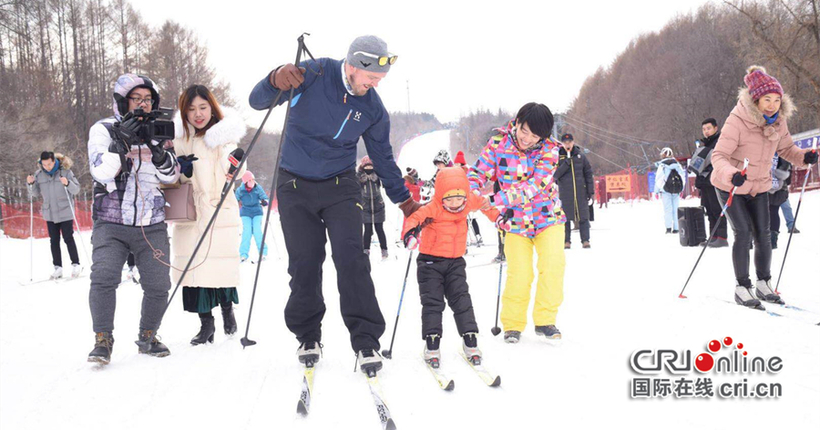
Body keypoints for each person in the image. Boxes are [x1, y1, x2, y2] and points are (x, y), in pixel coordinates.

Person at [248, 35, 421, 374]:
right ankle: (308, 334)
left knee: (351, 258)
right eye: (371, 78)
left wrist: (404, 201)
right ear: (354, 66)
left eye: (379, 81)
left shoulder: (372, 108)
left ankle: (366, 340)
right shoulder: (313, 73)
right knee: (304, 263)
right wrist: (274, 79)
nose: (374, 85)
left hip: (341, 185)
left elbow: (383, 158)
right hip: (295, 183)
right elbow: (257, 102)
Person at [86, 73, 180, 364]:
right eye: (136, 99)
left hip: (150, 222)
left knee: (158, 284)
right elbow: (101, 171)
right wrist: (121, 142)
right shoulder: (103, 129)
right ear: (122, 101)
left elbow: (173, 175)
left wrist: (160, 154)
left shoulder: (160, 130)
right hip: (111, 220)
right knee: (103, 278)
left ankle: (148, 335)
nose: (142, 105)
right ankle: (103, 339)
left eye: (148, 100)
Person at [711, 65, 816, 310]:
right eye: (767, 99)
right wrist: (732, 174)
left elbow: (787, 149)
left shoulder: (779, 123)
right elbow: (719, 156)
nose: (772, 105)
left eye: (777, 100)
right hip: (731, 186)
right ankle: (742, 286)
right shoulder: (736, 120)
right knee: (744, 233)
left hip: (759, 186)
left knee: (765, 235)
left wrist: (804, 157)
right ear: (756, 99)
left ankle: (764, 283)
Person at [467, 103, 567, 344]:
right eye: (525, 131)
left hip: (548, 218)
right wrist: (472, 192)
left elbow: (535, 186)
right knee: (519, 273)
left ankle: (545, 320)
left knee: (552, 267)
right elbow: (478, 173)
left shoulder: (551, 150)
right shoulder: (498, 144)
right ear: (517, 122)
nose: (528, 139)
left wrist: (493, 199)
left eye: (535, 136)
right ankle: (513, 324)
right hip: (515, 223)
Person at [171, 84, 247, 345]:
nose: (198, 114)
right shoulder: (180, 139)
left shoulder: (222, 136)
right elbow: (174, 176)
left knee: (219, 266)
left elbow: (232, 168)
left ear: (212, 107)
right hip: (191, 211)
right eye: (191, 109)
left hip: (218, 209)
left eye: (203, 107)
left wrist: (237, 160)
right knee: (194, 271)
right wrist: (183, 171)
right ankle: (206, 324)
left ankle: (227, 310)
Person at [402, 167, 493, 366]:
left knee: (462, 300)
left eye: (459, 199)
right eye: (449, 199)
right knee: (433, 303)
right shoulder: (432, 207)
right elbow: (414, 219)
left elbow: (486, 205)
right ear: (440, 196)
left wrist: (500, 218)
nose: (454, 204)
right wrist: (410, 235)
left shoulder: (469, 201)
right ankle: (432, 343)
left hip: (455, 263)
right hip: (429, 263)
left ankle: (470, 338)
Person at [27, 151, 82, 279]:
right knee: (54, 240)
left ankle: (75, 264)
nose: (47, 167)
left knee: (68, 237)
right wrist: (30, 184)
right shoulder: (39, 175)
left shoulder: (66, 172)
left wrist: (67, 183)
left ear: (54, 161)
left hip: (65, 211)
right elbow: (34, 193)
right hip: (50, 212)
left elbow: (76, 189)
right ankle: (58, 267)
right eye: (44, 164)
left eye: (49, 164)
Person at [555, 133, 594, 249]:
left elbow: (588, 174)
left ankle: (585, 240)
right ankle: (566, 241)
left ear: (573, 142)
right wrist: (566, 163)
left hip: (580, 192)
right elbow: (555, 175)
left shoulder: (580, 156)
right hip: (565, 193)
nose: (568, 144)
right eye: (565, 142)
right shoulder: (558, 157)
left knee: (583, 217)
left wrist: (590, 191)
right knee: (565, 218)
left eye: (570, 142)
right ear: (562, 144)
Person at [695, 118, 728, 247]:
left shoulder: (719, 142)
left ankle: (722, 237)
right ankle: (713, 236)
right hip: (705, 182)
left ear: (715, 128)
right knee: (709, 209)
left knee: (717, 209)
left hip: (715, 181)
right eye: (704, 129)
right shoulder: (706, 144)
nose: (706, 132)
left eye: (708, 128)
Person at [358, 156, 389, 259]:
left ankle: (384, 250)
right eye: (366, 167)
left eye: (370, 166)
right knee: (367, 230)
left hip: (378, 206)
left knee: (379, 229)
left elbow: (386, 181)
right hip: (366, 207)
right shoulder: (359, 177)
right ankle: (366, 250)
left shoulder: (377, 176)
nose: (368, 169)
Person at [236, 171, 269, 262]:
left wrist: (264, 201)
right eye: (250, 180)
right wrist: (236, 202)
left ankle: (263, 252)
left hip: (257, 212)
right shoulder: (240, 190)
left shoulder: (257, 188)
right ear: (245, 182)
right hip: (245, 212)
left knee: (257, 230)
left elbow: (265, 198)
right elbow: (235, 199)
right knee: (247, 232)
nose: (252, 182)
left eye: (253, 179)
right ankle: (243, 254)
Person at [454, 150, 483, 246]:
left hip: (466, 197)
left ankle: (467, 239)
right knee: (471, 219)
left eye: (457, 163)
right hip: (469, 197)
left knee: (466, 219)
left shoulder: (462, 171)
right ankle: (477, 236)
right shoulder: (467, 170)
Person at [654, 147, 685, 234]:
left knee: (667, 209)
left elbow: (659, 179)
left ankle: (668, 228)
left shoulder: (662, 165)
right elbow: (682, 177)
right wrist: (681, 189)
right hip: (676, 191)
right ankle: (676, 228)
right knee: (676, 209)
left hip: (665, 191)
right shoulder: (677, 165)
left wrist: (656, 191)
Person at [767, 155, 791, 250]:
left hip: (769, 186)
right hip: (780, 188)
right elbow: (787, 174)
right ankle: (773, 239)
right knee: (773, 211)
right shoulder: (783, 154)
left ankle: (754, 238)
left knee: (764, 212)